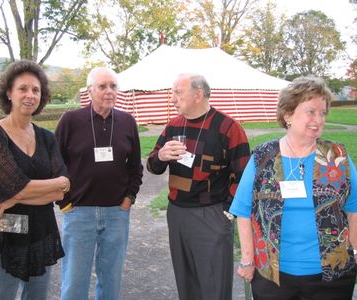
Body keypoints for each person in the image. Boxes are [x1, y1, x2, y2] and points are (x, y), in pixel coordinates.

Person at [229, 76, 357, 300]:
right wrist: (248, 260)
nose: (318, 119)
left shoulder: (336, 156)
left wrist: (354, 251)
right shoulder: (263, 157)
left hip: (332, 278)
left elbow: (354, 207)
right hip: (273, 277)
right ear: (288, 115)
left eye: (323, 112)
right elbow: (243, 211)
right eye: (311, 111)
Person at [147, 73, 250, 300]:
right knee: (186, 280)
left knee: (214, 283)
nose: (172, 98)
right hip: (177, 213)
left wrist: (226, 212)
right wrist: (161, 156)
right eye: (172, 92)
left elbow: (243, 176)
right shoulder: (173, 126)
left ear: (198, 94)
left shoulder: (228, 128)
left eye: (178, 92)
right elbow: (152, 166)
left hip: (211, 213)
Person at [0, 60, 70, 300]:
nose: (30, 95)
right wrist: (54, 185)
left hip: (41, 232)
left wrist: (11, 198)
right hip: (5, 234)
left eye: (35, 90)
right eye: (23, 89)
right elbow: (16, 185)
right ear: (8, 93)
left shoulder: (47, 137)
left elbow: (63, 188)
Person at [55, 67, 143, 300]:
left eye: (113, 86)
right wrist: (64, 202)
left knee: (111, 278)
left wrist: (128, 200)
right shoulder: (71, 120)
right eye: (102, 86)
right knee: (75, 279)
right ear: (90, 90)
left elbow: (135, 167)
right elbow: (55, 165)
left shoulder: (127, 121)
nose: (109, 91)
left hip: (116, 213)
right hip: (79, 212)